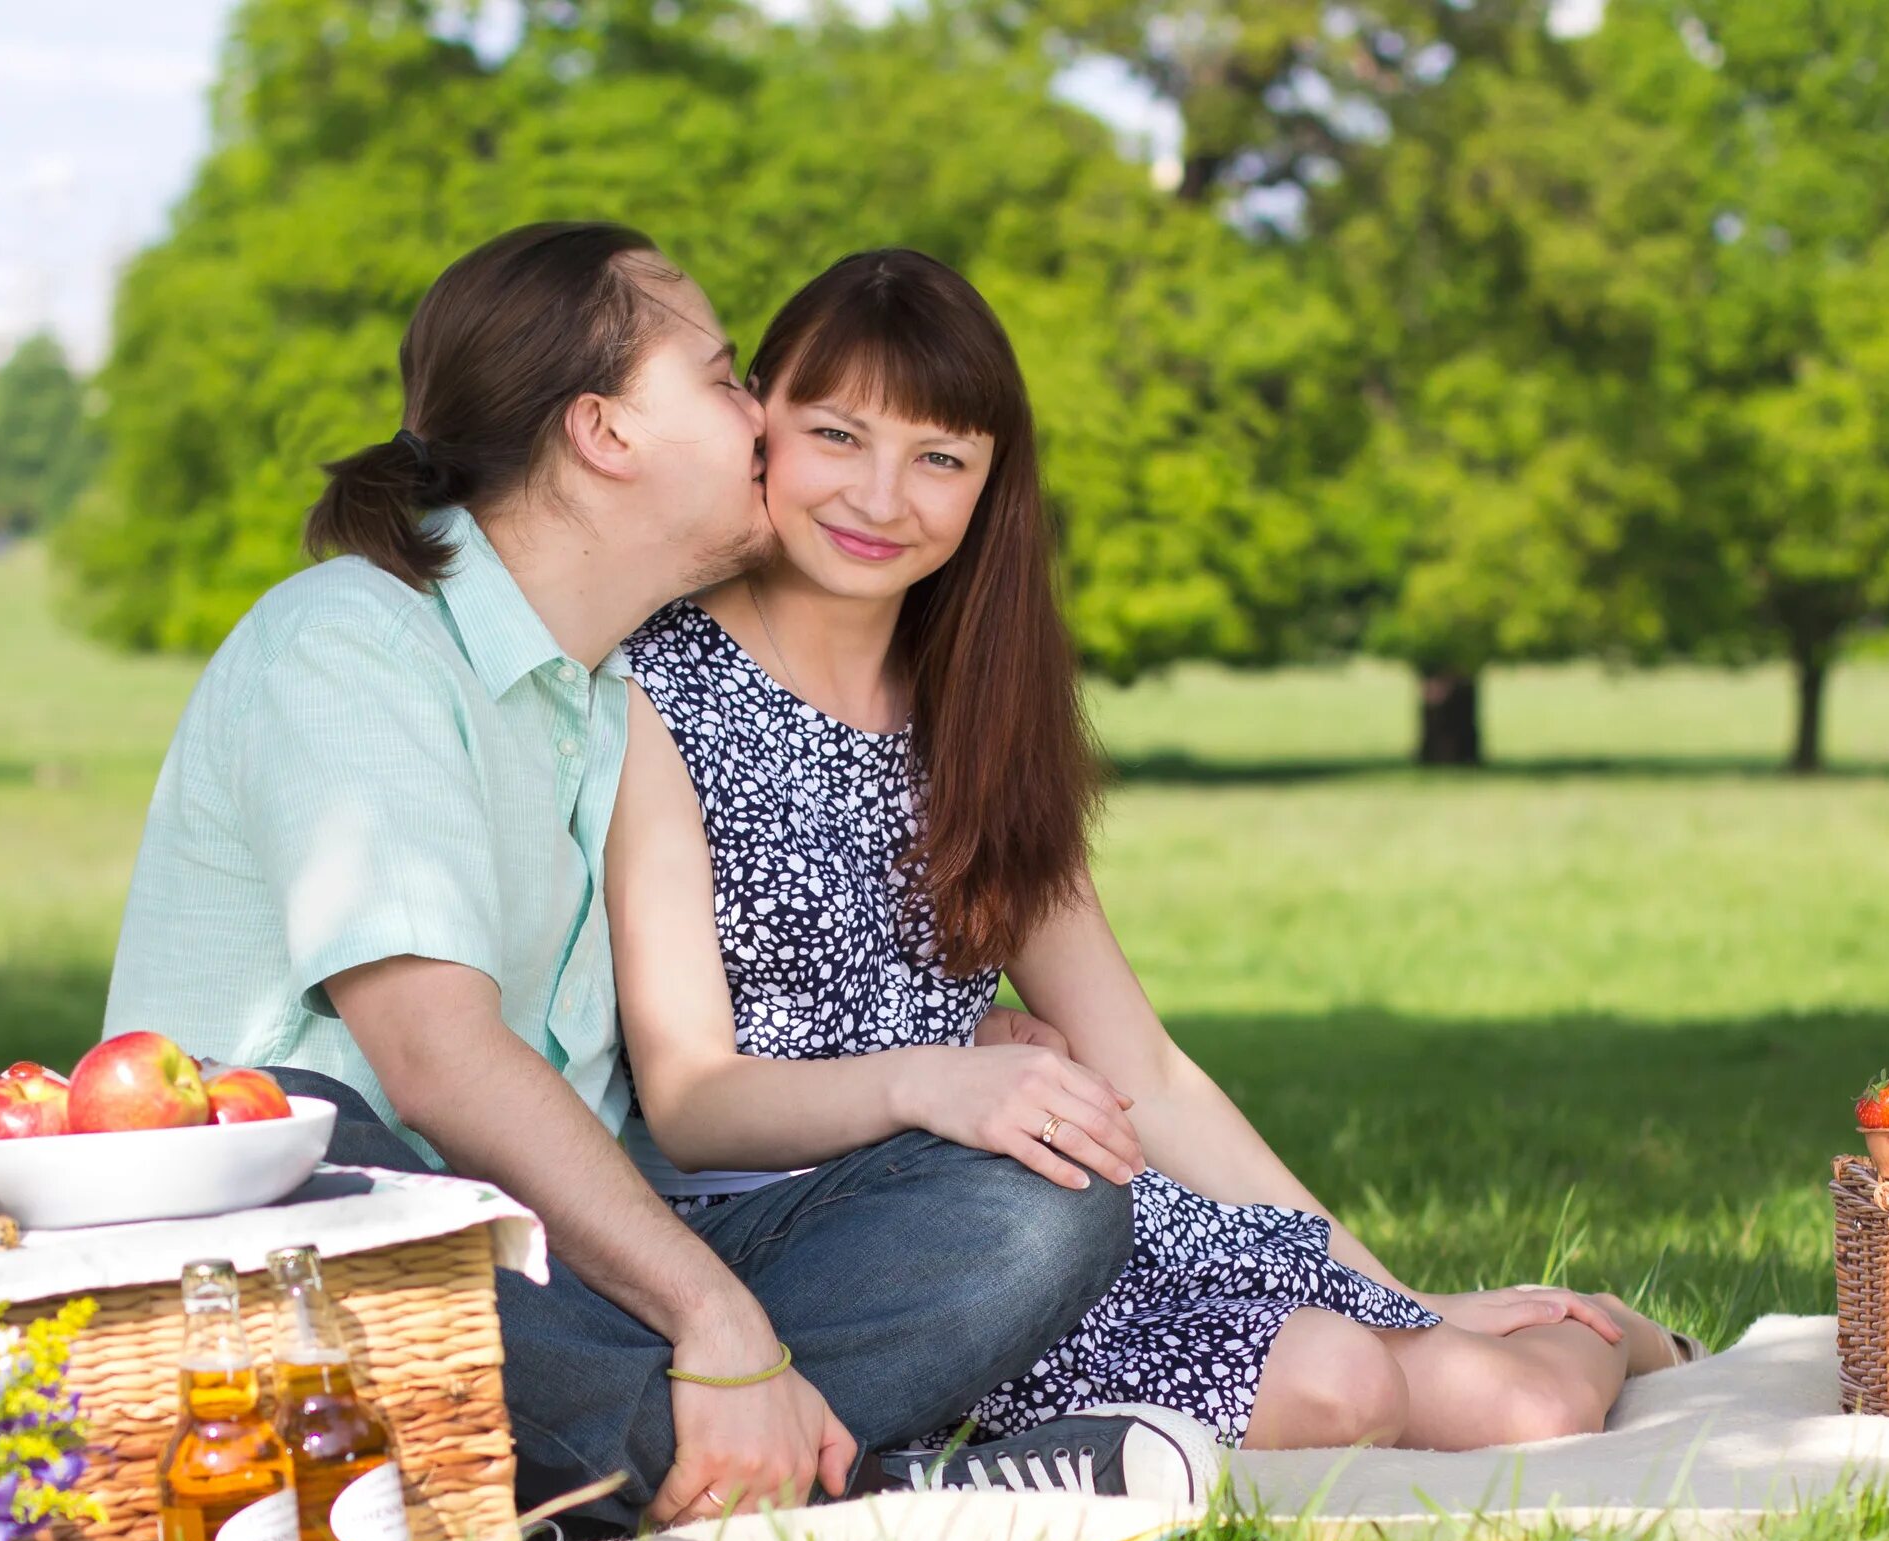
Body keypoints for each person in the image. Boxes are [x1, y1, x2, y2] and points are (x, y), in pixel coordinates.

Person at [104, 223, 1213, 1539]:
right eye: (726, 375)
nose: (764, 422)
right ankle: (843, 1482)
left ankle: (657, 1472)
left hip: (556, 1280)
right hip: (319, 1259)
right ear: (607, 433)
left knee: (1042, 1203)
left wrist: (962, 1052)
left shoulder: (609, 697)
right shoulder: (353, 645)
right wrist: (715, 1316)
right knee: (284, 1130)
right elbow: (438, 1066)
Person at [605, 249, 1699, 1459]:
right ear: (760, 422)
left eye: (938, 459)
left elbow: (1148, 1074)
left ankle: (1630, 1334)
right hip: (849, 1249)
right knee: (1342, 1388)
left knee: (1520, 1404)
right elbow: (693, 1097)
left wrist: (1393, 1288)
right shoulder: (657, 685)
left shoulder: (978, 709)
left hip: (1038, 1196)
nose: (880, 497)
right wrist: (932, 1078)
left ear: (988, 487)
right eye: (837, 435)